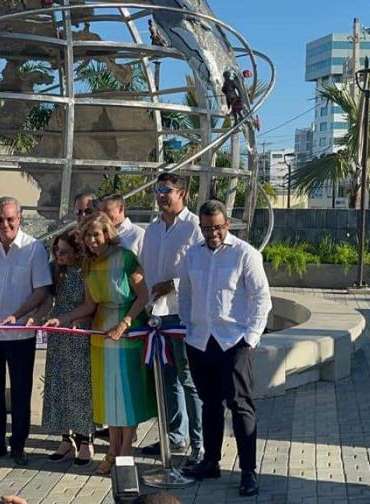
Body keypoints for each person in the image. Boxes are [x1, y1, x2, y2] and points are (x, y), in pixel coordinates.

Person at [46, 212, 155, 476]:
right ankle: (113, 449)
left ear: (107, 234)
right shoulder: (89, 265)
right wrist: (61, 318)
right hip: (99, 336)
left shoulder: (126, 258)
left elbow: (143, 296)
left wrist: (125, 323)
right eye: (87, 235)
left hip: (126, 334)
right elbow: (89, 305)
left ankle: (124, 449)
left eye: (96, 234)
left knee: (127, 396)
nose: (92, 239)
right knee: (109, 398)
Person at [178, 200, 271, 497]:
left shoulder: (245, 254)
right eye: (206, 228)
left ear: (226, 224)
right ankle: (211, 461)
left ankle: (248, 471)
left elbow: (261, 299)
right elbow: (186, 295)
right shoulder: (193, 255)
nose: (212, 233)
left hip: (234, 342)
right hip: (200, 341)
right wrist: (188, 328)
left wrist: (251, 339)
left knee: (240, 406)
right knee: (209, 404)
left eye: (217, 227)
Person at [0, 196, 51, 466]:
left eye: (10, 219)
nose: (5, 224)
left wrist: (19, 314)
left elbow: (41, 291)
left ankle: (19, 444)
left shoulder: (34, 249)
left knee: (20, 393)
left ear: (20, 217)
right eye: (0, 219)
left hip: (19, 335)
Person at [139, 174, 204, 466]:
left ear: (184, 194)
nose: (161, 195)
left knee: (189, 379)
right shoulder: (151, 231)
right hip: (156, 316)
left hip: (182, 314)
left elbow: (203, 269)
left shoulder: (194, 228)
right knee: (166, 381)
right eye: (157, 190)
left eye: (167, 191)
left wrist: (174, 284)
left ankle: (200, 445)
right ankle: (175, 437)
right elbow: (144, 270)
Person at [28, 230, 94, 466]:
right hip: (59, 334)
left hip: (78, 333)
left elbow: (90, 305)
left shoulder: (87, 272)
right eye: (56, 251)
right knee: (58, 384)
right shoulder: (57, 271)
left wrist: (68, 319)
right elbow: (48, 299)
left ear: (77, 252)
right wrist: (37, 317)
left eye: (64, 252)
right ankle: (66, 439)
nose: (59, 255)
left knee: (80, 386)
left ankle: (86, 440)